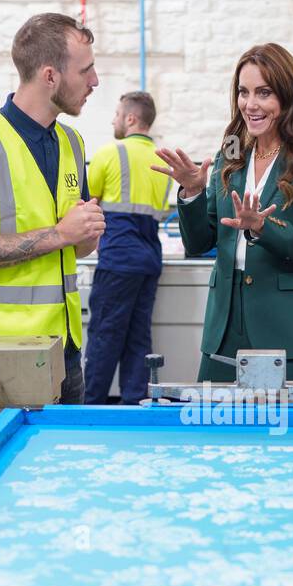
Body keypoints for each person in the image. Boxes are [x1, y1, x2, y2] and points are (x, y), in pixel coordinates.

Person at [154, 43, 293, 384]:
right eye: (243, 92)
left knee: (285, 434)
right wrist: (193, 191)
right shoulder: (232, 150)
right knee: (216, 432)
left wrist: (262, 228)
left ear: (286, 97)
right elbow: (198, 243)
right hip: (224, 327)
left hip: (285, 328)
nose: (250, 104)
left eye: (264, 93)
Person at [0, 13, 104, 404]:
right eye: (86, 71)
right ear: (50, 76)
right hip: (4, 359)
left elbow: (77, 247)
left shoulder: (71, 142)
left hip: (65, 352)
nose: (94, 81)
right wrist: (62, 234)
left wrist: (85, 234)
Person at [83, 92, 172, 405]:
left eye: (117, 114)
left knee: (106, 334)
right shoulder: (164, 161)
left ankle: (91, 406)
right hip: (149, 259)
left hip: (119, 258)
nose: (113, 120)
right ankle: (135, 404)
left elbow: (85, 203)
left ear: (131, 118)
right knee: (138, 337)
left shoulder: (111, 153)